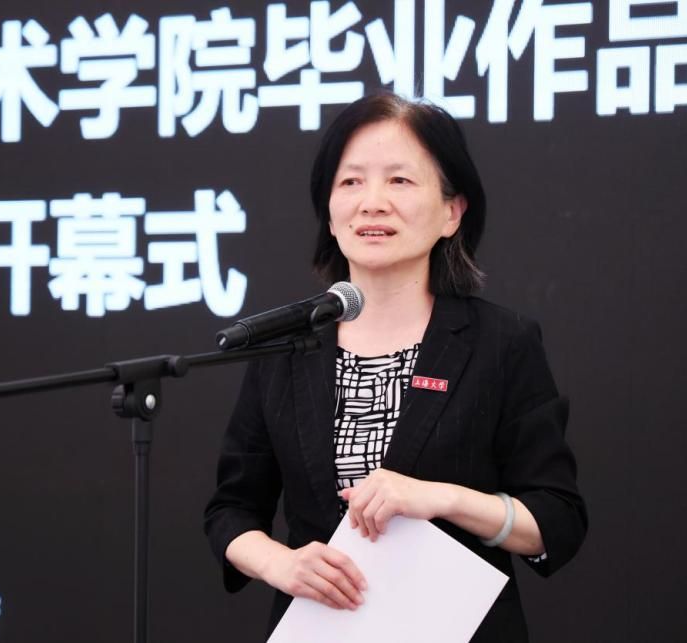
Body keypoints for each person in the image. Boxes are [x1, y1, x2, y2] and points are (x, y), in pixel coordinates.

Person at [204, 91, 587, 642]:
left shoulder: (502, 342)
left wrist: (443, 498)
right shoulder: (287, 349)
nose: (372, 202)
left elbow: (556, 518)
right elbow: (231, 510)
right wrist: (279, 564)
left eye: (400, 181)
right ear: (329, 212)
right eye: (350, 182)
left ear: (452, 212)